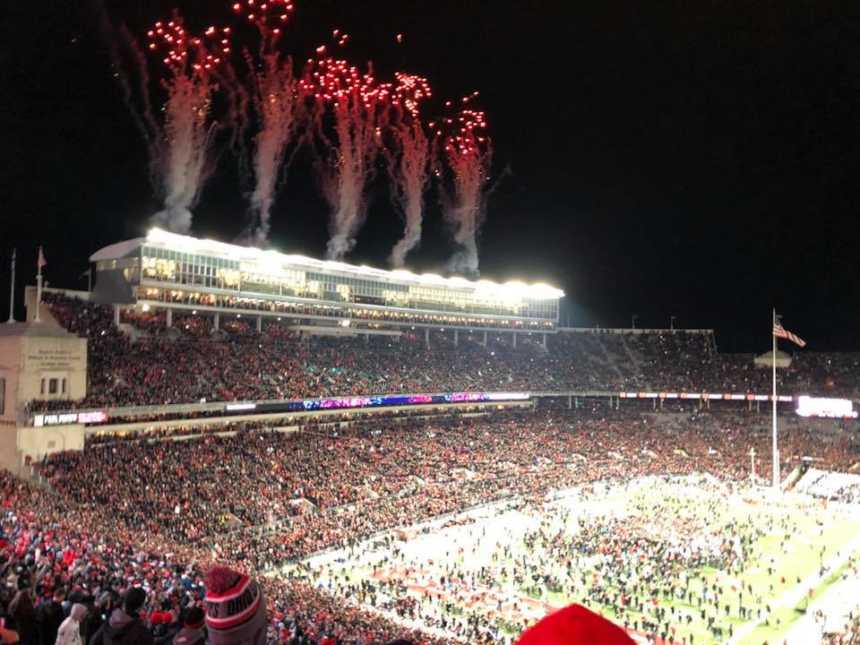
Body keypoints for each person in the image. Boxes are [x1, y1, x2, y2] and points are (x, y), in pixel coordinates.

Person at [88, 589, 152, 645]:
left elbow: (94, 641)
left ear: (124, 603)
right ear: (140, 607)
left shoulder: (110, 621)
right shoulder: (142, 633)